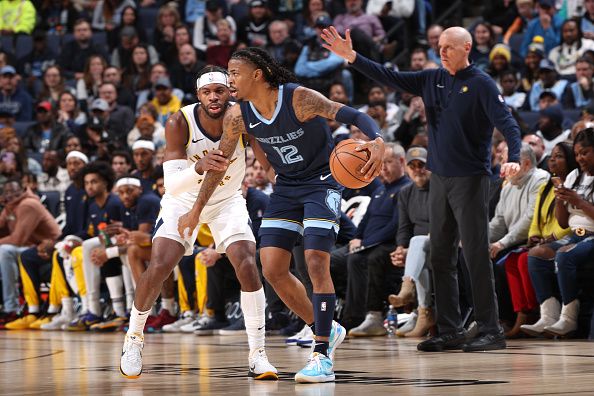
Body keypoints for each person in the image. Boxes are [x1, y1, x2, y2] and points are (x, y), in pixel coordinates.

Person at [177, 47, 385, 382]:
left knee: (316, 258)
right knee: (272, 268)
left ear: (257, 74)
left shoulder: (300, 99)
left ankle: (321, 356)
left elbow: (352, 116)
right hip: (287, 187)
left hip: (323, 182)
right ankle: (327, 329)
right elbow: (217, 167)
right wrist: (195, 210)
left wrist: (377, 140)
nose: (230, 81)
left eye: (234, 73)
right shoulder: (238, 116)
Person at [322, 26, 522, 352]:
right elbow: (389, 76)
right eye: (439, 47)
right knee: (440, 257)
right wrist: (353, 57)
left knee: (474, 256)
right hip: (440, 179)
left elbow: (509, 124)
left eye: (448, 47)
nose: (441, 52)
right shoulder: (432, 79)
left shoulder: (482, 84)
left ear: (466, 47)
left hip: (471, 179)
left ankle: (490, 328)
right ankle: (450, 328)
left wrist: (513, 157)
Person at [119, 66, 278, 380]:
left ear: (229, 91)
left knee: (246, 261)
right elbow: (172, 184)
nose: (214, 97)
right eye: (207, 92)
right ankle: (133, 339)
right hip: (183, 201)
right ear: (198, 95)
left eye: (220, 90)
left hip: (227, 201)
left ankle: (258, 354)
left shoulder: (243, 117)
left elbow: (266, 164)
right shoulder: (179, 121)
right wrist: (199, 167)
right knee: (160, 264)